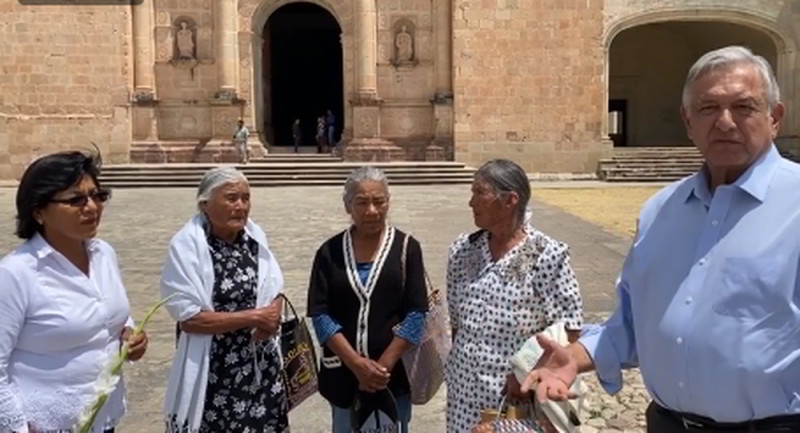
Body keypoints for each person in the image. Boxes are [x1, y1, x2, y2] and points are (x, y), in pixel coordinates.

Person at [523, 45, 800, 433]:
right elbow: (634, 325)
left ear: (775, 117)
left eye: (744, 107)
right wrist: (577, 355)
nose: (724, 122)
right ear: (688, 121)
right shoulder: (660, 210)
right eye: (707, 108)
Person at [0, 151, 148, 433]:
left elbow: (111, 316)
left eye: (97, 195)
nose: (91, 207)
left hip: (102, 418)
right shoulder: (16, 274)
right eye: (75, 200)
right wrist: (16, 428)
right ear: (38, 211)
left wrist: (130, 334)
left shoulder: (104, 254)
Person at [445, 158, 583, 432]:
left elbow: (570, 331)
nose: (471, 203)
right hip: (463, 394)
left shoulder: (547, 256)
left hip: (518, 400)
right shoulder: (462, 251)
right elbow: (457, 323)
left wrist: (525, 369)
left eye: (479, 193)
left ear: (510, 200)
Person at [161, 167, 289, 433]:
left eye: (245, 198)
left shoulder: (254, 238)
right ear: (205, 203)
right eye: (231, 198)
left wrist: (274, 310)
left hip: (260, 368)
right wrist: (254, 317)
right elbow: (189, 318)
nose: (241, 206)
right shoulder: (187, 247)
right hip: (215, 372)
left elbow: (273, 286)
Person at [307, 166, 428, 433]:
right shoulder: (329, 252)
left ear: (388, 201)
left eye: (379, 201)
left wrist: (381, 367)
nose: (371, 210)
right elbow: (320, 314)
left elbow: (417, 313)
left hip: (393, 376)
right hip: (343, 374)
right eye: (361, 202)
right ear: (347, 205)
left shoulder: (407, 249)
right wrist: (357, 365)